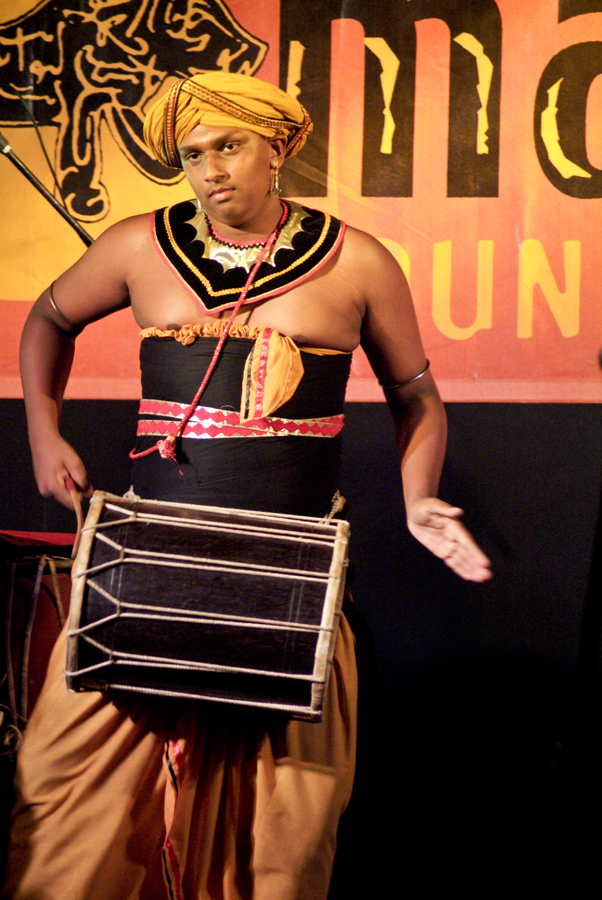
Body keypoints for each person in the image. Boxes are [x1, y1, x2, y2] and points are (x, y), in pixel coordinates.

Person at [5, 73, 491, 900]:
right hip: (146, 580)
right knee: (66, 815)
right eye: (192, 156)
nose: (210, 171)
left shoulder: (359, 260)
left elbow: (417, 397)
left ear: (279, 150)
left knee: (280, 841)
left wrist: (419, 500)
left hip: (283, 584)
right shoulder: (135, 246)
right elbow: (48, 318)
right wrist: (43, 434)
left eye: (228, 147)